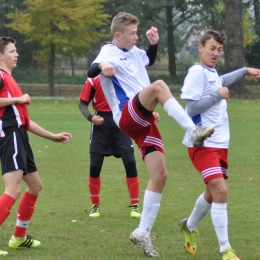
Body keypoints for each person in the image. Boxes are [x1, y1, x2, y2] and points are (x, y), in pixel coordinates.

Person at [87, 12, 214, 257]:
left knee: (160, 175)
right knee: (159, 86)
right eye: (132, 33)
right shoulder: (109, 51)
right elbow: (92, 69)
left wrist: (153, 43)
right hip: (126, 114)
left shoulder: (135, 53)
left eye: (137, 32)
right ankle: (192, 130)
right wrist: (103, 65)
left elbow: (149, 59)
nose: (136, 37)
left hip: (142, 119)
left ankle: (143, 232)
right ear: (117, 35)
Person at [179, 29, 260, 260]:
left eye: (219, 50)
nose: (215, 53)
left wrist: (245, 71)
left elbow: (222, 81)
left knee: (212, 193)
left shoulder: (211, 73)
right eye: (212, 48)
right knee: (221, 191)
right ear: (200, 48)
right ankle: (225, 249)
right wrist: (218, 95)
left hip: (220, 144)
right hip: (202, 143)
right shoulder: (196, 72)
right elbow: (192, 107)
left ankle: (189, 226)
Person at [0, 36, 72, 256]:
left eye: (16, 50)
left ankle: (19, 238)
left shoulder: (11, 80)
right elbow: (14, 111)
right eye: (12, 51)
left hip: (20, 134)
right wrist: (18, 99)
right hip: (9, 135)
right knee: (13, 189)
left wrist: (52, 136)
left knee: (35, 185)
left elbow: (25, 121)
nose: (16, 54)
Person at [79, 74, 147, 218]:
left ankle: (135, 205)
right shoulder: (93, 80)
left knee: (130, 162)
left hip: (121, 121)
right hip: (100, 124)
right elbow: (82, 103)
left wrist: (150, 113)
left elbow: (139, 98)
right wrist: (91, 118)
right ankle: (95, 205)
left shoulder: (123, 76)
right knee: (95, 166)